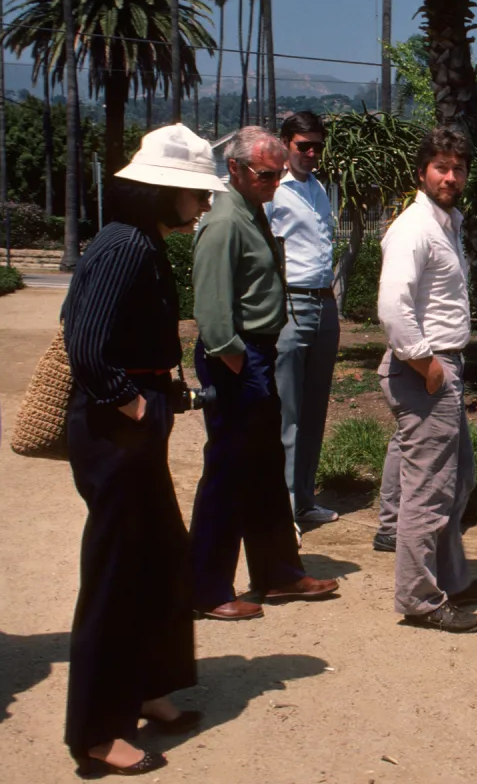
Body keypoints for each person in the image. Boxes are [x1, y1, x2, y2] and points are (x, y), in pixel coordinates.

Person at [62, 125, 222, 777]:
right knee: (116, 572)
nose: (203, 206)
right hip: (114, 430)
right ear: (166, 190)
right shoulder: (125, 244)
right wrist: (130, 400)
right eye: (195, 194)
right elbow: (86, 341)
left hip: (136, 423)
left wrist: (162, 395)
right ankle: (99, 731)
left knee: (159, 557)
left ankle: (148, 687)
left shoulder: (142, 242)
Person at [189, 126, 340, 621]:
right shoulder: (225, 222)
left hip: (258, 353)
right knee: (229, 472)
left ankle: (277, 573)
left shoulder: (250, 212)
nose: (275, 183)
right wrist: (232, 357)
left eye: (277, 174)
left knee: (264, 467)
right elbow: (212, 308)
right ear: (234, 169)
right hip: (238, 357)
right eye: (266, 175)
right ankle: (207, 587)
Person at [376, 127, 477, 632]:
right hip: (425, 368)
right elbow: (392, 307)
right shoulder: (413, 228)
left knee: (458, 478)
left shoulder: (448, 223)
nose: (450, 176)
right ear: (422, 171)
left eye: (458, 168)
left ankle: (448, 575)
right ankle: (420, 599)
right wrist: (427, 365)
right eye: (441, 166)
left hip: (443, 367)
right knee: (428, 491)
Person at [268, 110, 340, 530]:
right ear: (286, 145)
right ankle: (284, 506)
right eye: (303, 146)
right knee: (288, 410)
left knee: (315, 408)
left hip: (324, 302)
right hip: (291, 304)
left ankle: (305, 498)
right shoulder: (274, 191)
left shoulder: (318, 189)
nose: (311, 153)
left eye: (317, 146)